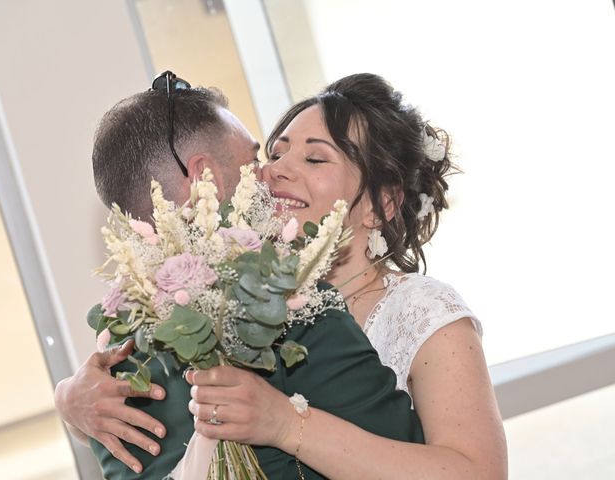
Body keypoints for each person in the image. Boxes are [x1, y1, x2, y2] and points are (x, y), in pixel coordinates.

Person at [54, 72, 424, 479]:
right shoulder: (285, 307)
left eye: (314, 158)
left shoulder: (116, 355)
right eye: (257, 161)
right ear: (203, 179)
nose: (269, 176)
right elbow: (409, 451)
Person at [186, 73, 508, 479]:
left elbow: (477, 473)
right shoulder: (238, 294)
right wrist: (79, 396)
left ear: (381, 203)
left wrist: (285, 424)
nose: (276, 170)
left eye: (315, 158)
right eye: (276, 154)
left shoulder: (423, 312)